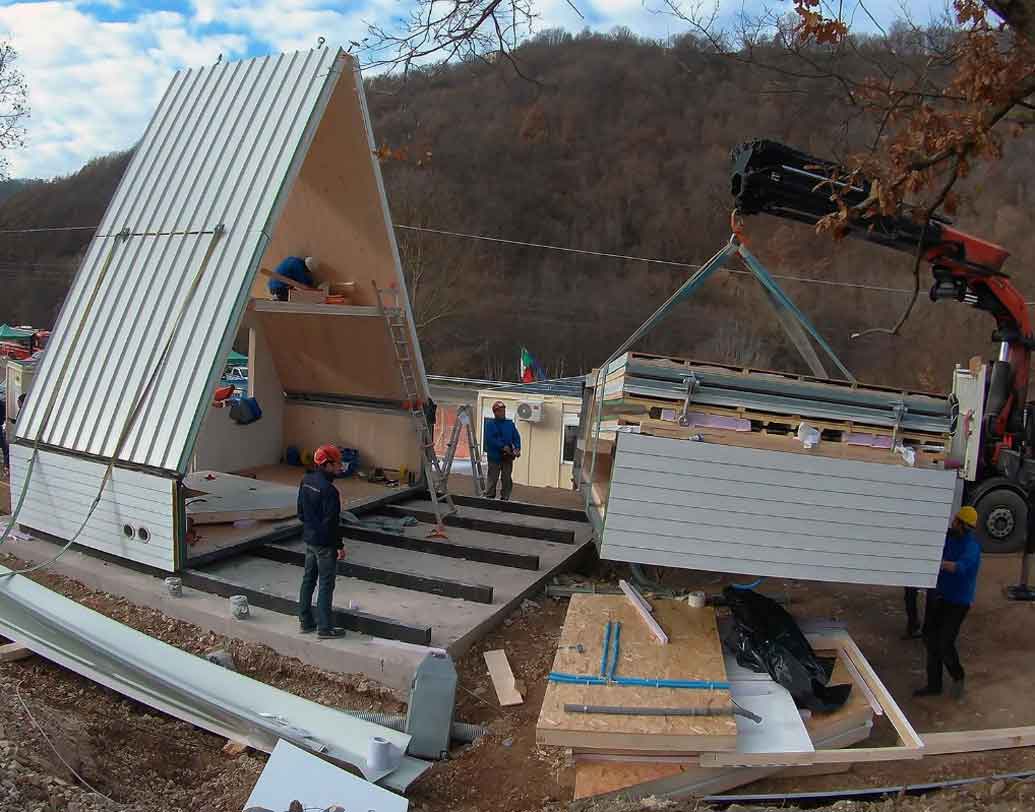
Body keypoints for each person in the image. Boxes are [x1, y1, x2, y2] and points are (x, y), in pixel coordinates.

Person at [914, 506, 982, 700]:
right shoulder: (949, 537)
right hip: (940, 596)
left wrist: (939, 563)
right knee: (930, 638)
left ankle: (958, 676)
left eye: (956, 521)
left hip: (958, 603)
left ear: (963, 526)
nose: (952, 523)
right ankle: (934, 685)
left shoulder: (971, 548)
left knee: (945, 642)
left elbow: (960, 568)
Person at [297, 444, 346, 638]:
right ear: (326, 464)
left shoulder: (306, 480)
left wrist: (311, 529)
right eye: (337, 464)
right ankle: (325, 628)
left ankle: (305, 621)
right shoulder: (330, 491)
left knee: (308, 580)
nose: (339, 467)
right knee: (326, 584)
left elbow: (300, 512)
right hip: (325, 545)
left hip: (310, 540)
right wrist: (339, 546)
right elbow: (332, 525)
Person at [484, 400, 521, 501]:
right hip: (494, 457)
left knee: (506, 479)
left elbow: (516, 437)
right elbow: (490, 439)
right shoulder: (490, 424)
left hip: (507, 458)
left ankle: (505, 497)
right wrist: (502, 446)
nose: (503, 413)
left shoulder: (510, 424)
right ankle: (489, 497)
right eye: (500, 411)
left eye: (503, 411)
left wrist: (517, 448)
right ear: (495, 412)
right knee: (493, 478)